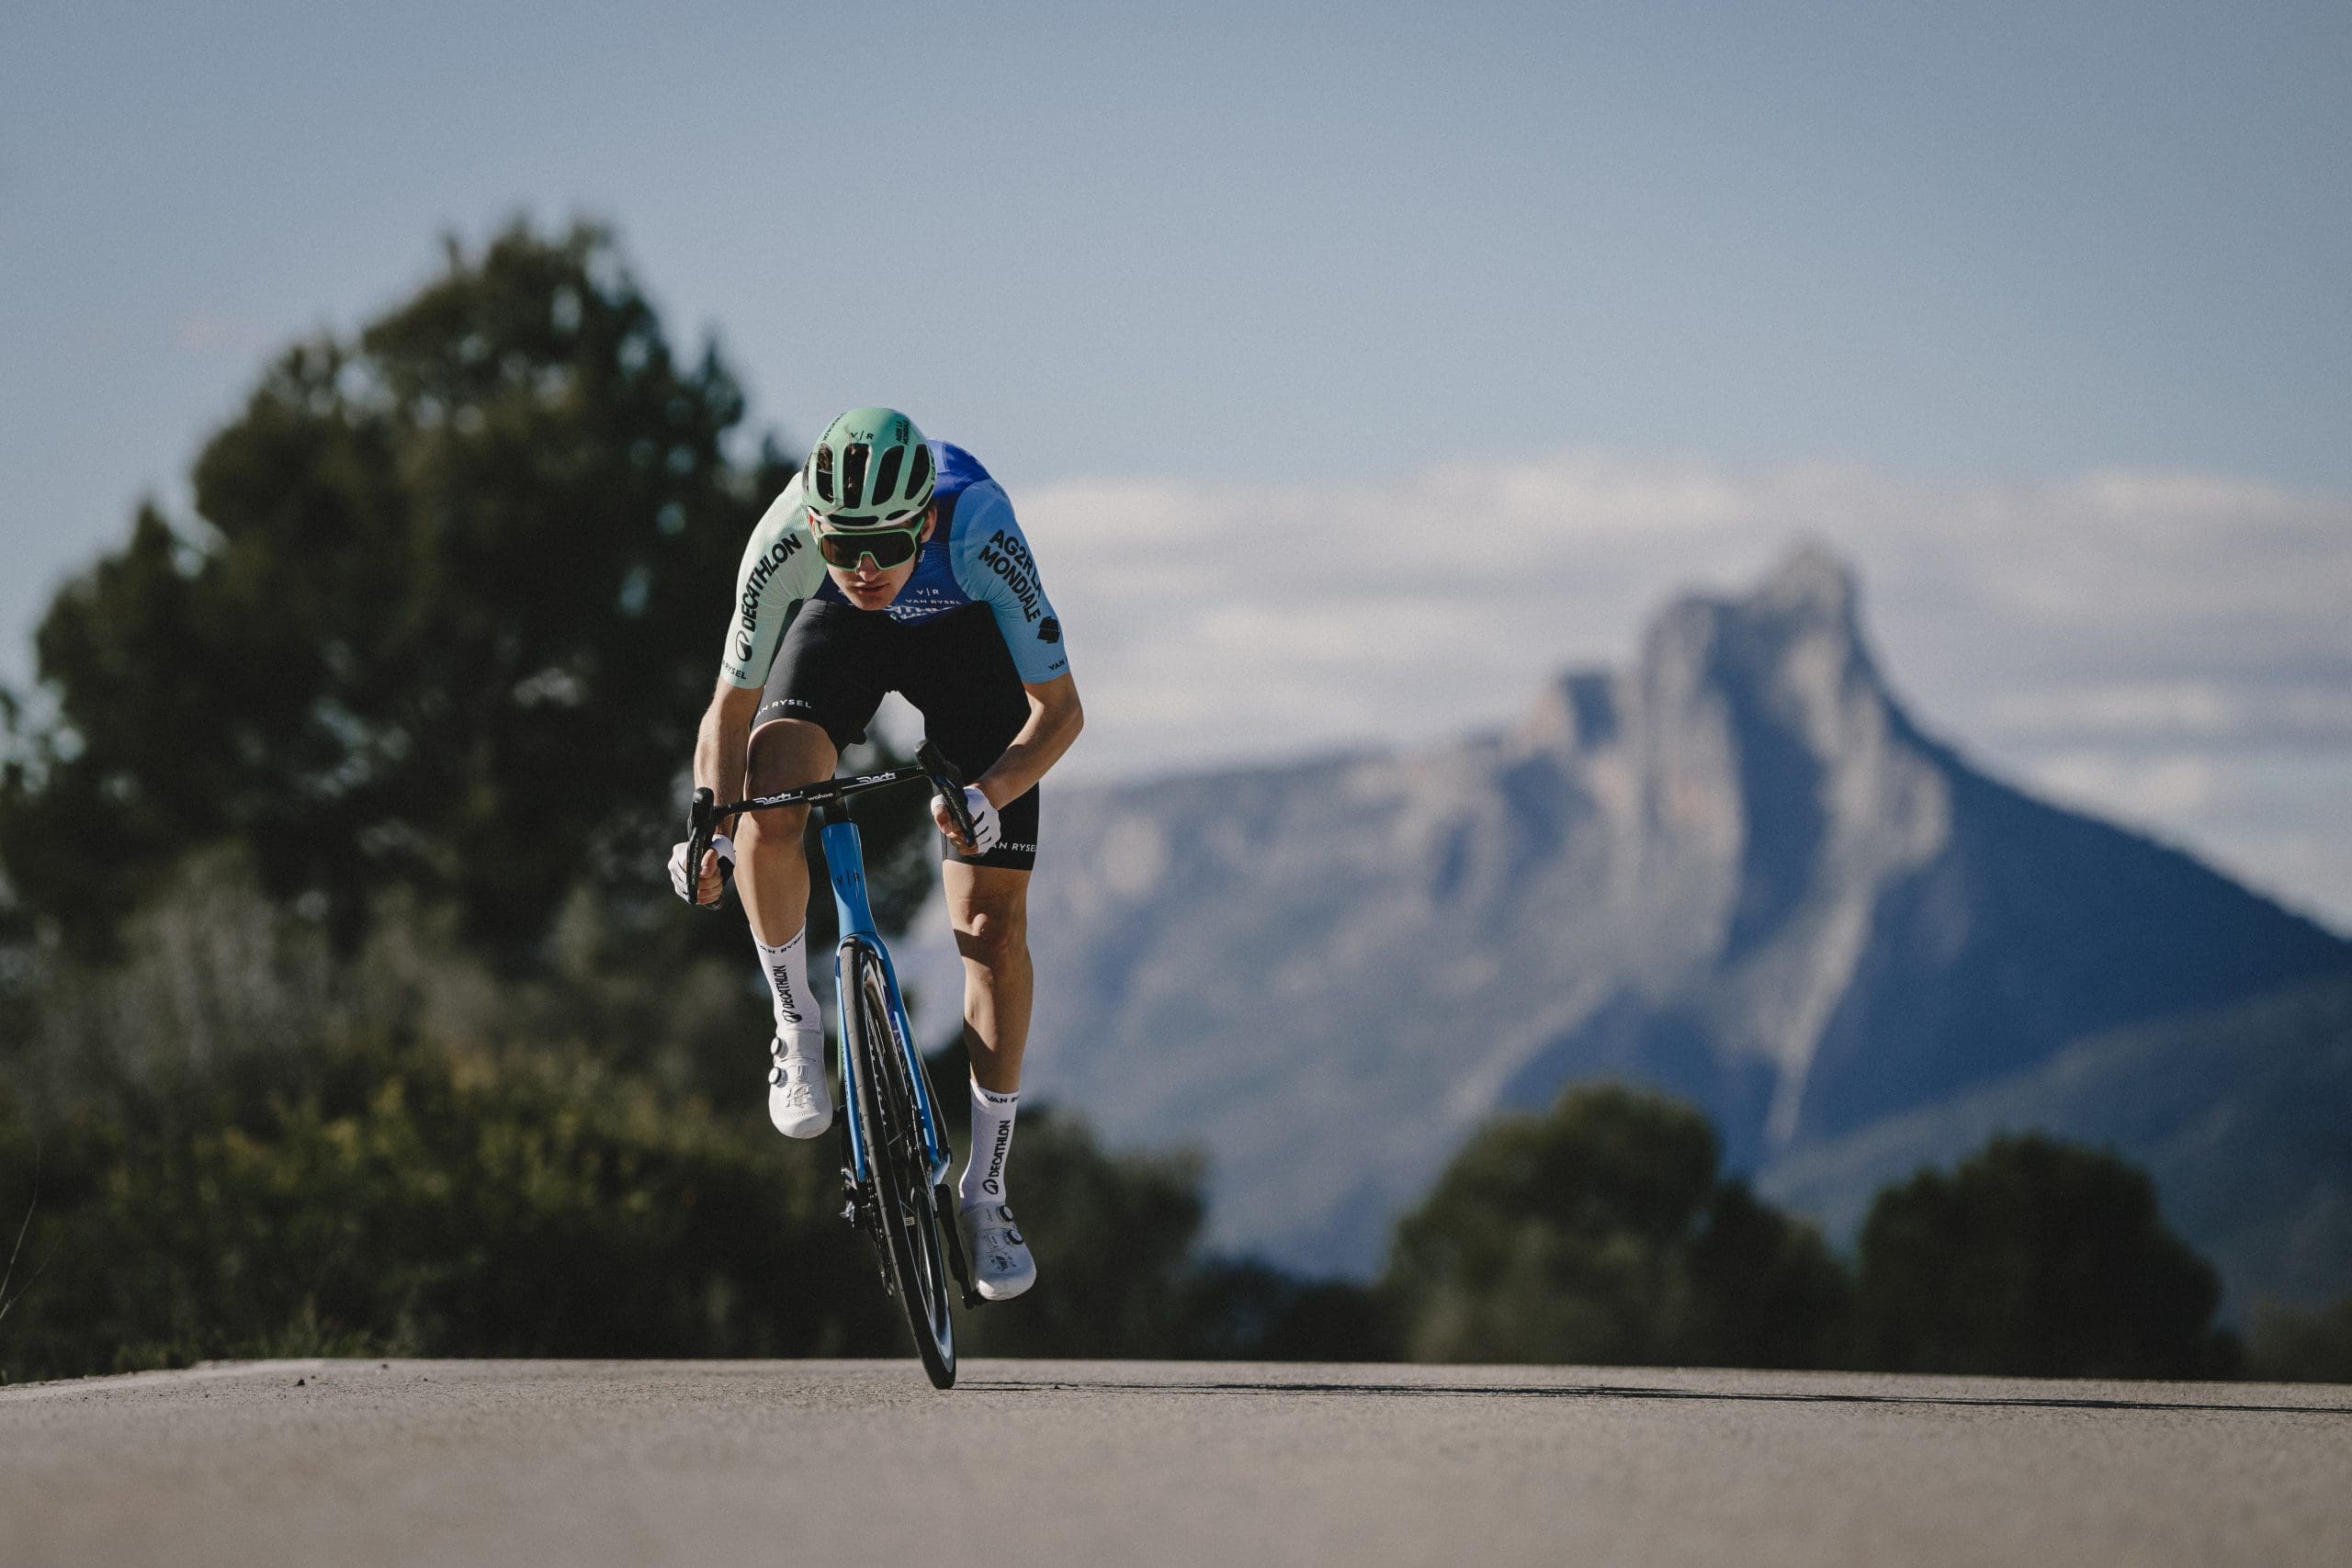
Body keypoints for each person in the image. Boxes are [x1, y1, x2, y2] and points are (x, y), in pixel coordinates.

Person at [667, 408, 1080, 1302]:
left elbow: (1060, 712)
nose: (863, 568)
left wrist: (987, 795)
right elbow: (727, 713)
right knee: (767, 809)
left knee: (991, 929)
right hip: (835, 642)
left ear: (922, 521)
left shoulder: (977, 524)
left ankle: (988, 1190)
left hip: (965, 641)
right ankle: (795, 1022)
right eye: (845, 543)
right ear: (814, 524)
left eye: (886, 545)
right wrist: (705, 828)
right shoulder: (787, 543)